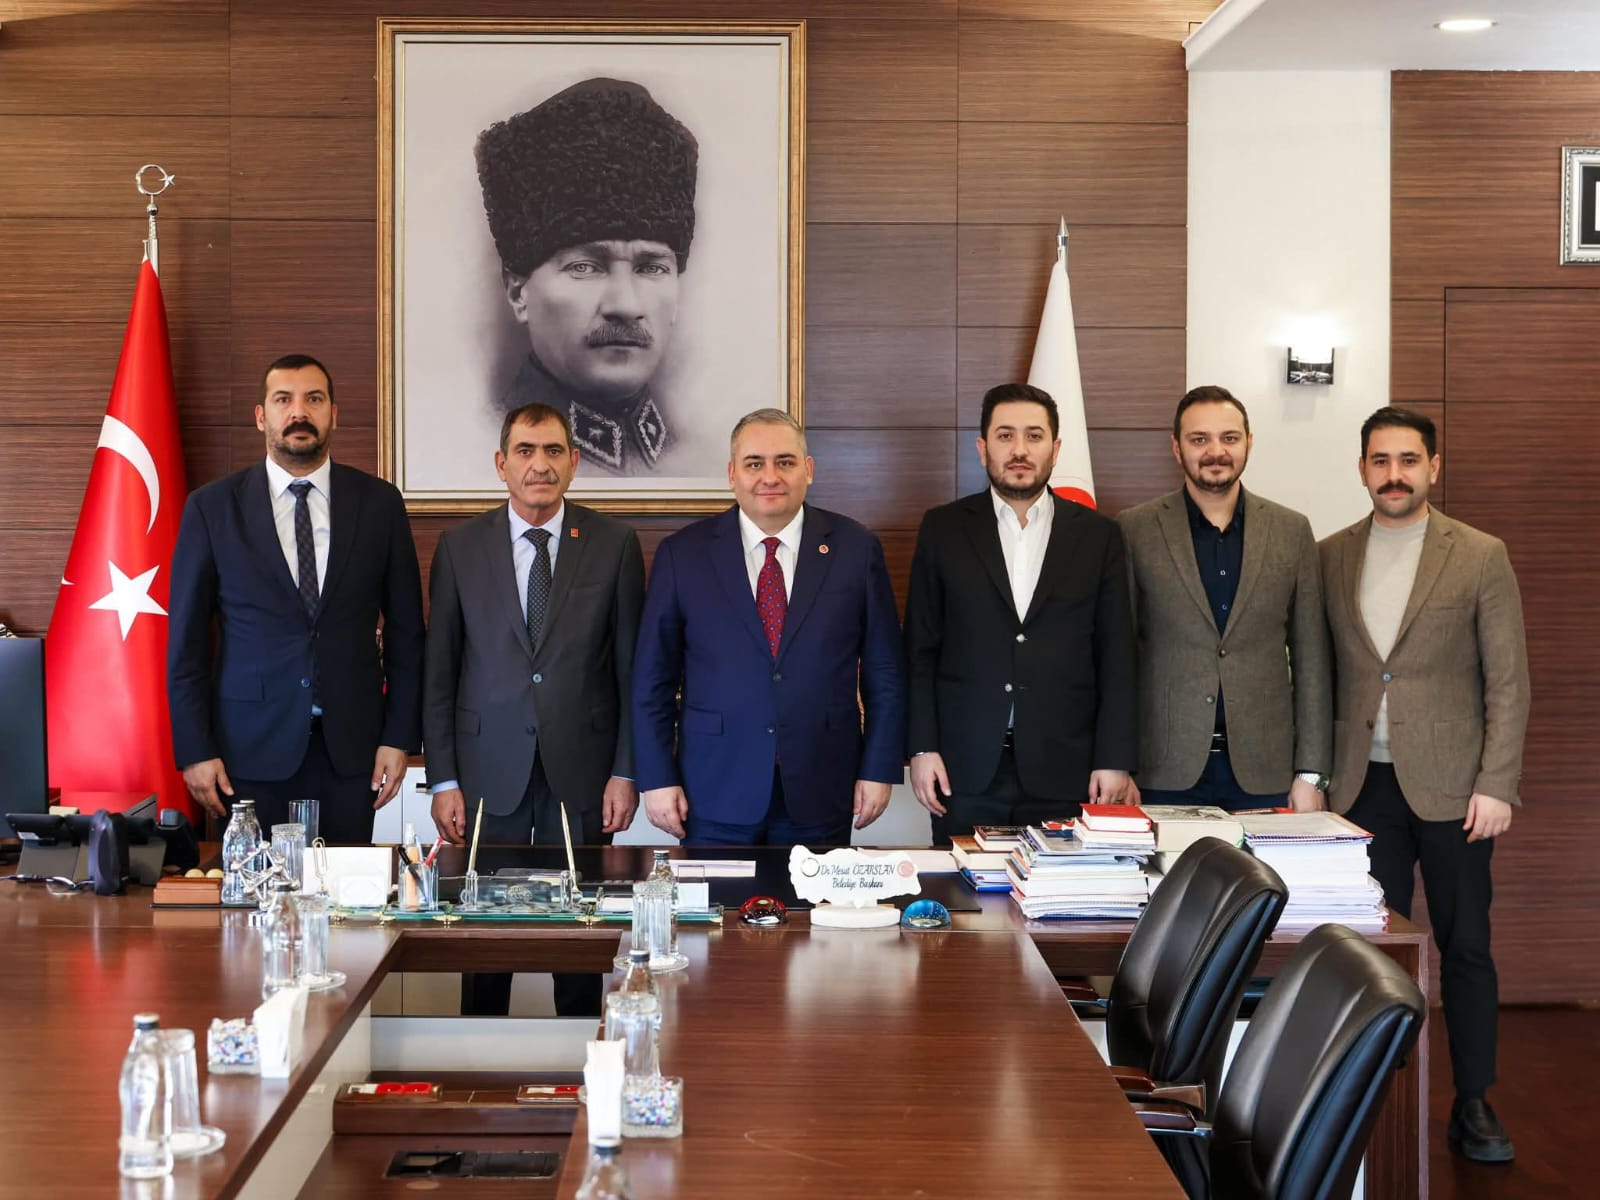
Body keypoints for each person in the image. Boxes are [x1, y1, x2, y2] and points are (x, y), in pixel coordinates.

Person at [1320, 406, 1529, 1164]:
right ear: (1362, 469)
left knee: (1465, 945)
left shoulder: (1479, 554)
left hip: (1456, 791)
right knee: (1369, 950)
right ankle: (1378, 1091)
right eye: (1380, 460)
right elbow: (1321, 673)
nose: (1394, 474)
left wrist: (1497, 782)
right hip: (1359, 790)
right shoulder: (1330, 555)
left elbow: (1508, 680)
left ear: (1433, 467)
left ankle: (1473, 1102)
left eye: (1409, 460)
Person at [425, 402, 644, 1016]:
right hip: (485, 776)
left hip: (583, 773)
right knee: (483, 940)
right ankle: (477, 1056)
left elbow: (632, 672)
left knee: (578, 936)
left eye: (552, 451)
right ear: (502, 464)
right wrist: (442, 779)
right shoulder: (460, 548)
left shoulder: (614, 545)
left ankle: (584, 1055)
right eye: (525, 451)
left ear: (574, 462)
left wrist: (625, 771)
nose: (539, 465)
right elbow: (439, 674)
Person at [167, 354, 424, 844]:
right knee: (253, 891)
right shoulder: (212, 508)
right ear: (261, 416)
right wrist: (195, 749)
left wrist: (399, 738)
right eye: (283, 399)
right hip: (246, 755)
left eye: (314, 399)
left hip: (353, 754)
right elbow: (186, 643)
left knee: (347, 890)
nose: (298, 412)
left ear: (333, 414)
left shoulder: (379, 504)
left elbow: (407, 633)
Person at [631, 409, 906, 845]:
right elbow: (652, 680)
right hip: (713, 789)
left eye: (785, 462)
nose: (770, 477)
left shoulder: (857, 549)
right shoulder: (682, 555)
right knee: (716, 895)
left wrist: (879, 768)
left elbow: (885, 672)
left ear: (808, 469)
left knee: (812, 895)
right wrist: (657, 777)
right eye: (754, 463)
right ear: (732, 474)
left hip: (822, 784)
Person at [904, 382, 1138, 842]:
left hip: (1067, 767)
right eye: (1005, 435)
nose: (1019, 450)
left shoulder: (1099, 536)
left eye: (1034, 436)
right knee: (964, 887)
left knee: (1060, 888)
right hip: (963, 768)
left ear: (1056, 448)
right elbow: (919, 650)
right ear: (982, 448)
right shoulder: (943, 529)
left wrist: (1115, 758)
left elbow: (1117, 655)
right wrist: (921, 747)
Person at [1118, 385, 1331, 812]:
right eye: (1200, 439)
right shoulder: (1134, 530)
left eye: (1229, 438)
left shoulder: (1292, 531)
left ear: (1248, 443)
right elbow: (1117, 657)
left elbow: (1312, 659)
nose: (1216, 451)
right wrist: (1120, 764)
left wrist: (1311, 774)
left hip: (1266, 772)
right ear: (1177, 448)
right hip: (1161, 770)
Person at [476, 77, 698, 475]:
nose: (625, 305)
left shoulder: (699, 453)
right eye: (585, 267)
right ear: (517, 293)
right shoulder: (473, 441)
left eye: (651, 267)